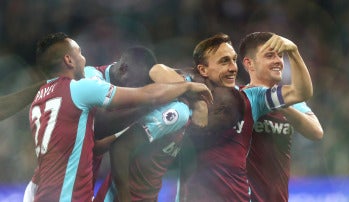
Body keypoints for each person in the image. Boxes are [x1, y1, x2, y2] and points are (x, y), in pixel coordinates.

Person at [28, 32, 212, 201]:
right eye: (80, 52)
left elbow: (93, 144)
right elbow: (144, 98)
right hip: (66, 195)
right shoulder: (83, 85)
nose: (84, 58)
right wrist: (186, 88)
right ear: (68, 60)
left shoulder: (40, 98)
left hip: (44, 190)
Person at [149, 32, 313, 201]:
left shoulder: (251, 98)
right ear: (203, 70)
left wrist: (293, 51)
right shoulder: (189, 94)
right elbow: (157, 70)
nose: (233, 67)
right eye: (224, 61)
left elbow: (301, 92)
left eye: (234, 59)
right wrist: (198, 100)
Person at [239, 31, 324, 202]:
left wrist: (281, 104)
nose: (278, 61)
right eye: (270, 55)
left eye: (280, 55)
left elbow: (316, 132)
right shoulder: (238, 98)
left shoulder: (292, 103)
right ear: (250, 63)